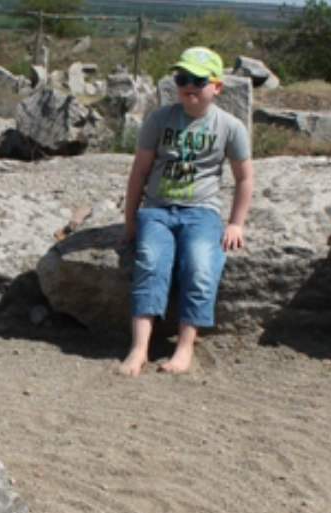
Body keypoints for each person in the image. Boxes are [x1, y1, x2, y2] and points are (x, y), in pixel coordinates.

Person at [119, 46, 254, 376]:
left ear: (217, 87)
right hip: (157, 210)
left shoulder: (230, 127)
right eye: (182, 78)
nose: (188, 85)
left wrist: (236, 223)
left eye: (197, 79)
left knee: (200, 265)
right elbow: (139, 172)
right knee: (150, 262)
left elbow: (245, 177)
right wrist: (130, 221)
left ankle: (185, 346)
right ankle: (139, 348)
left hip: (201, 212)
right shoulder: (159, 119)